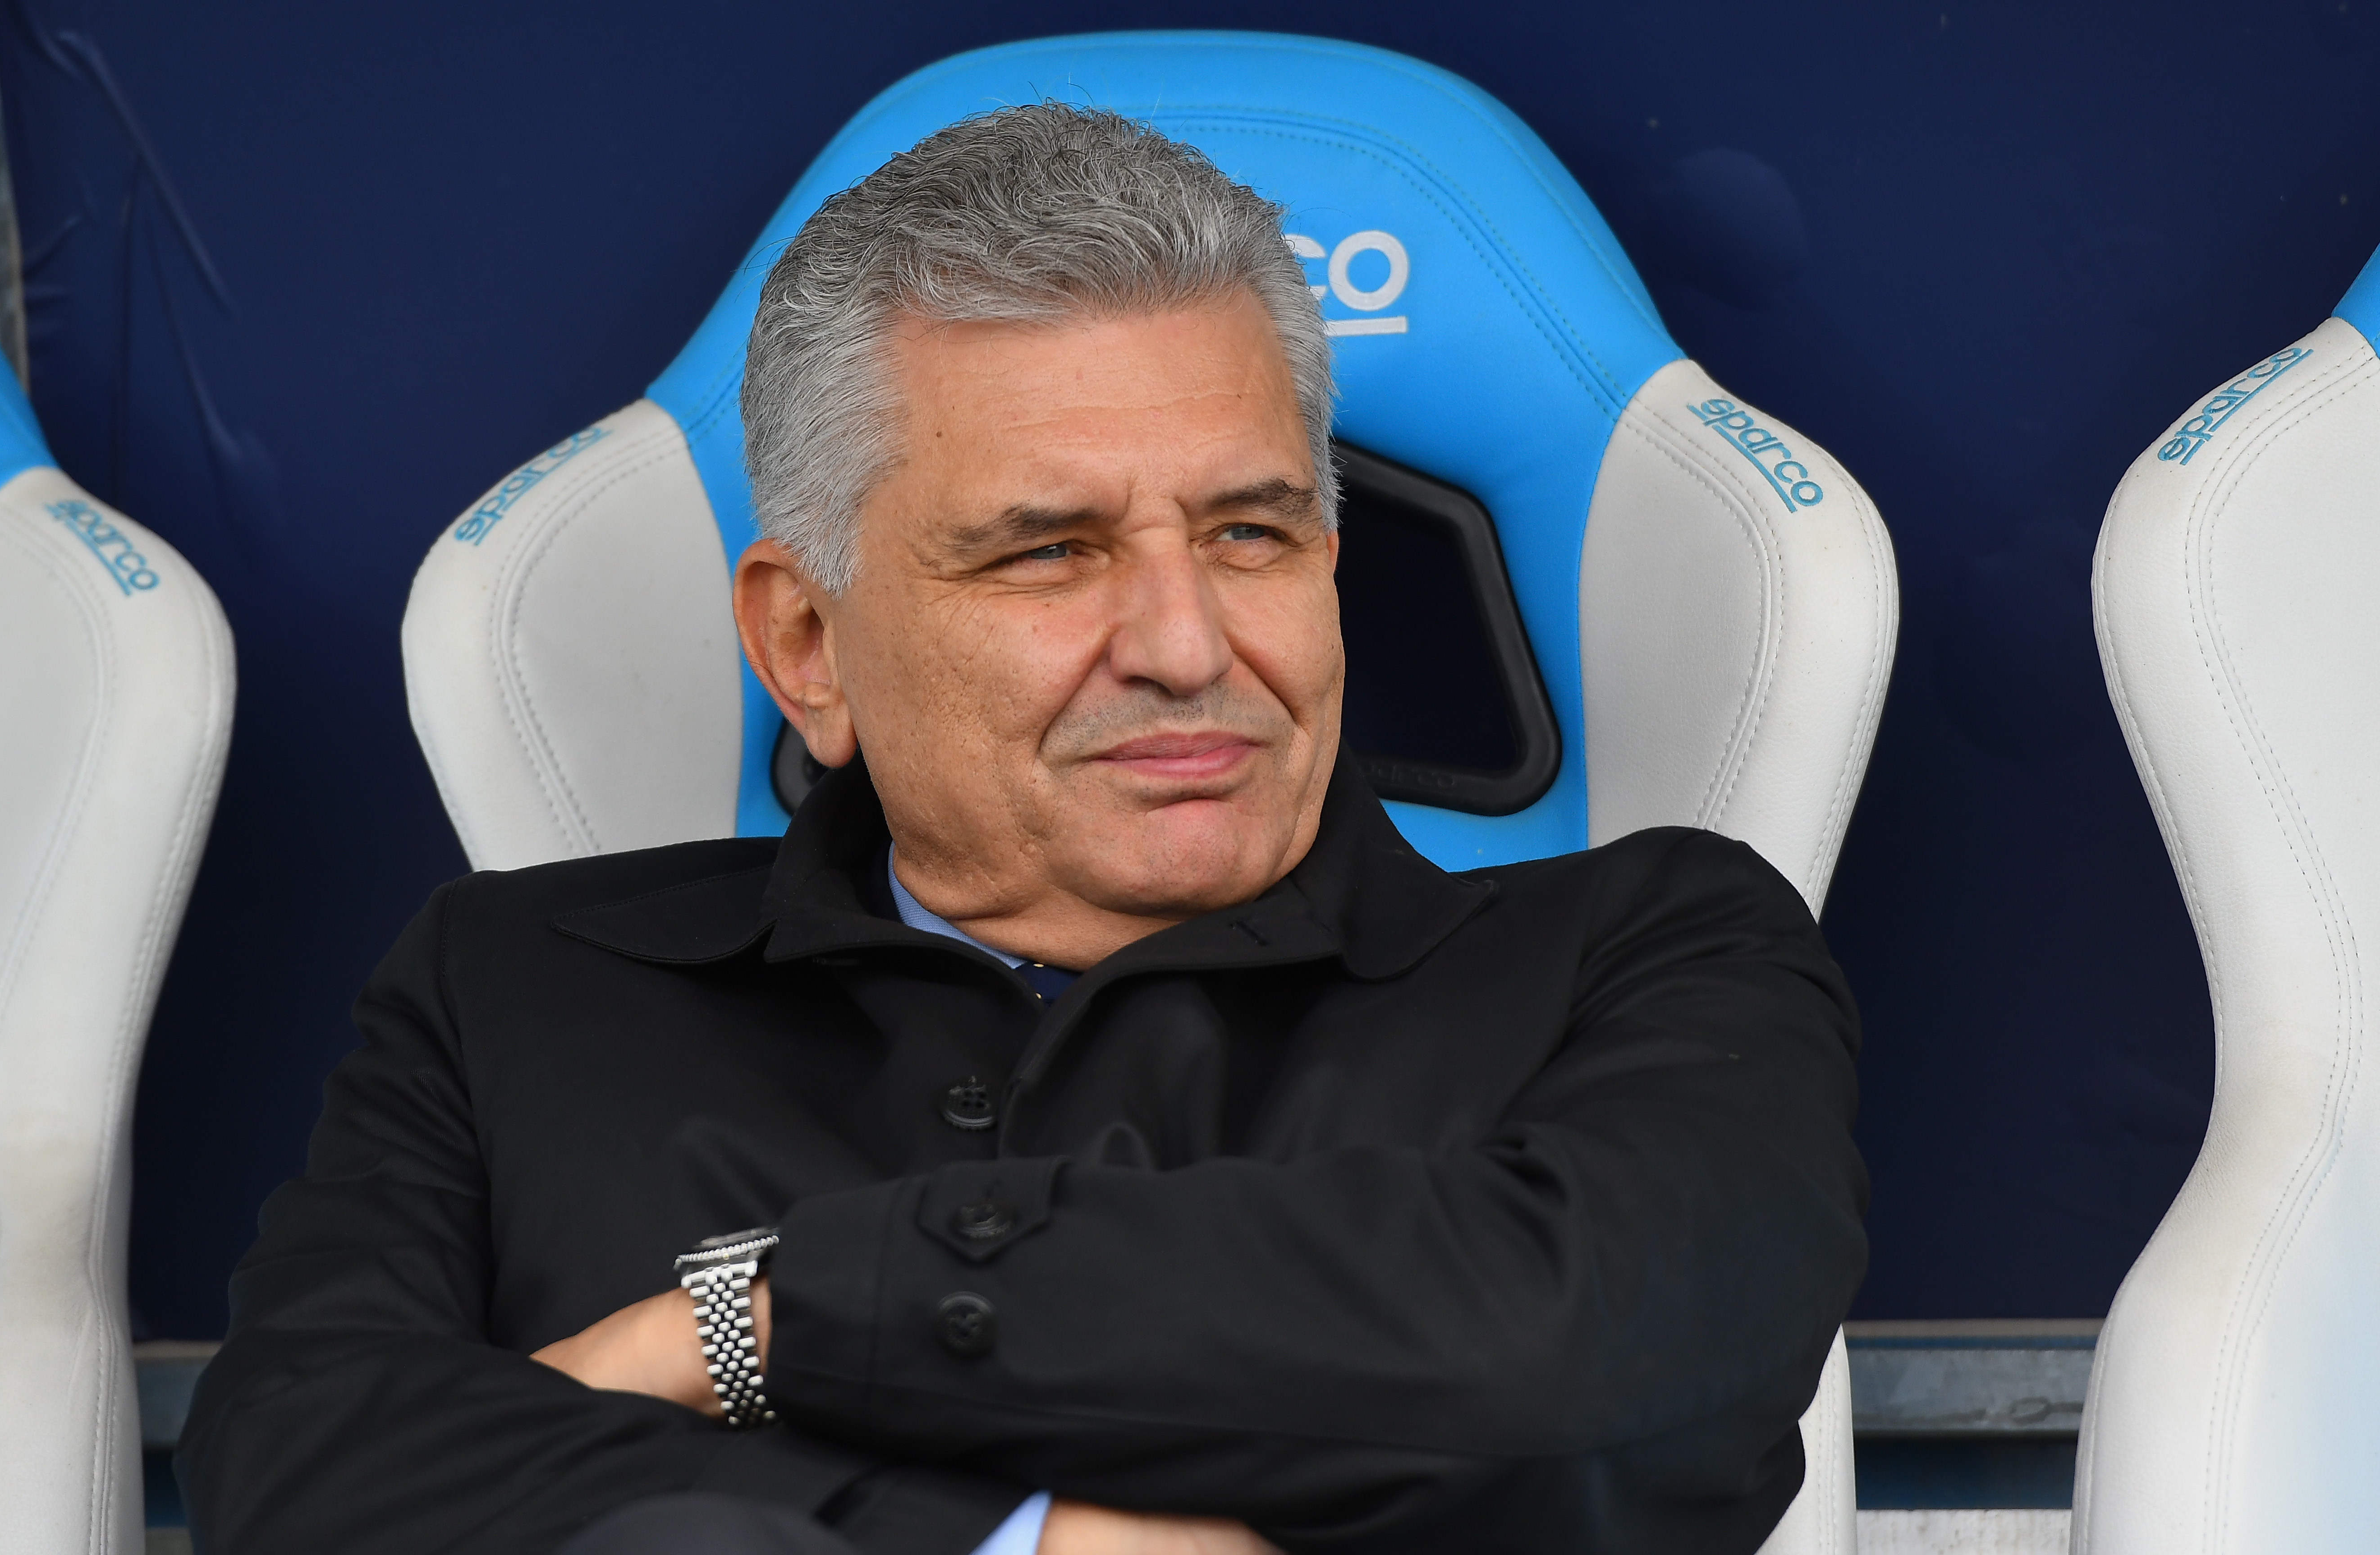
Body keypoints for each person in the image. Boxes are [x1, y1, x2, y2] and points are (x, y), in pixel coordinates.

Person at [178, 104, 1866, 1555]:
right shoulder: (519, 987)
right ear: (807, 646)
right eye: (1047, 553)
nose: (1189, 646)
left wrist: (767, 1322)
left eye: (1253, 534)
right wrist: (1010, 1537)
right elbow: (304, 1473)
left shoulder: (1647, 957)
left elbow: (1603, 1375)